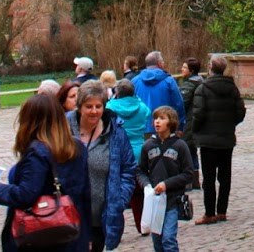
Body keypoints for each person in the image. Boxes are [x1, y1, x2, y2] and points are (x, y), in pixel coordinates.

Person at [0, 95, 90, 252]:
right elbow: (85, 195)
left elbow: (25, 195)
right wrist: (87, 235)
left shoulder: (38, 152)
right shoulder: (77, 147)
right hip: (72, 230)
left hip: (42, 233)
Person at [68, 82, 135, 252]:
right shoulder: (64, 128)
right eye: (88, 106)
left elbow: (127, 169)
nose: (94, 111)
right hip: (68, 216)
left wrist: (119, 199)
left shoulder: (116, 132)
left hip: (101, 217)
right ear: (79, 107)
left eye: (98, 106)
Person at [187, 57, 245, 226]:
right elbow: (240, 112)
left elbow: (198, 114)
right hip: (226, 137)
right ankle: (222, 211)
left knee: (209, 177)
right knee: (225, 177)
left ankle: (209, 212)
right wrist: (229, 123)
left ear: (210, 68)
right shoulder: (232, 88)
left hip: (207, 139)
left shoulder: (203, 89)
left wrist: (197, 130)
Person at [135, 107, 191, 252]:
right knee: (157, 241)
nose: (157, 122)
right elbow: (140, 170)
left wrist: (167, 184)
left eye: (162, 118)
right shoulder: (148, 146)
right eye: (156, 118)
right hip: (154, 202)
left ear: (171, 122)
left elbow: (188, 173)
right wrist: (146, 185)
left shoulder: (180, 146)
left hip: (172, 200)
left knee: (168, 239)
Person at [105, 83, 151, 236]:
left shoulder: (111, 107)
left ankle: (116, 228)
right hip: (138, 151)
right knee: (139, 192)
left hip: (119, 152)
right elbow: (147, 111)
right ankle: (143, 225)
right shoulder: (141, 107)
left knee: (117, 193)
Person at [130, 55, 183, 129]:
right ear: (159, 63)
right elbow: (178, 104)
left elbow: (130, 103)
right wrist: (180, 126)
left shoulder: (134, 81)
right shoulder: (169, 81)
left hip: (140, 128)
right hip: (165, 127)